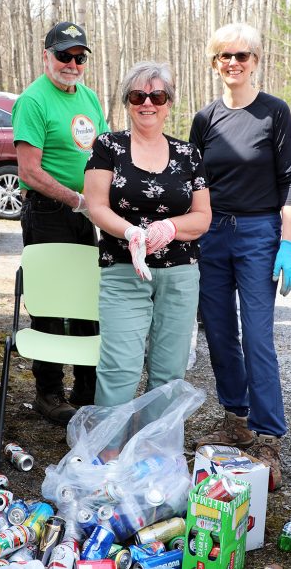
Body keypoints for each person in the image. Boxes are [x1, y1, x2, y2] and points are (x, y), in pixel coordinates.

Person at [189, 23, 291, 491]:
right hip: (212, 234)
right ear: (215, 64)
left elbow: (290, 180)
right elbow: (192, 184)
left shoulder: (274, 113)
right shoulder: (204, 118)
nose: (232, 63)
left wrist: (288, 244)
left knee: (256, 335)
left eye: (241, 55)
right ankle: (236, 419)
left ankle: (268, 435)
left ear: (256, 61)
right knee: (218, 333)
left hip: (258, 233)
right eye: (223, 57)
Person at [84, 62, 211, 406]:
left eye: (157, 95)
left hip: (180, 273)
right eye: (138, 95)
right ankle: (108, 451)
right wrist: (131, 233)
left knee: (169, 371)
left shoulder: (188, 154)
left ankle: (154, 451)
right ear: (127, 101)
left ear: (169, 102)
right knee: (119, 367)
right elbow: (96, 206)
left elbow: (202, 217)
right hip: (124, 269)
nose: (148, 103)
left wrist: (170, 227)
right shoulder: (108, 146)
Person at [12, 21, 109, 425]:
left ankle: (86, 391)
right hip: (50, 213)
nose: (72, 63)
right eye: (64, 55)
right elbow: (29, 171)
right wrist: (76, 199)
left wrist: (102, 203)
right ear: (46, 55)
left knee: (90, 302)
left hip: (90, 215)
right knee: (51, 306)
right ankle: (48, 393)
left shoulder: (89, 98)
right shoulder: (33, 100)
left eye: (79, 57)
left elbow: (105, 155)